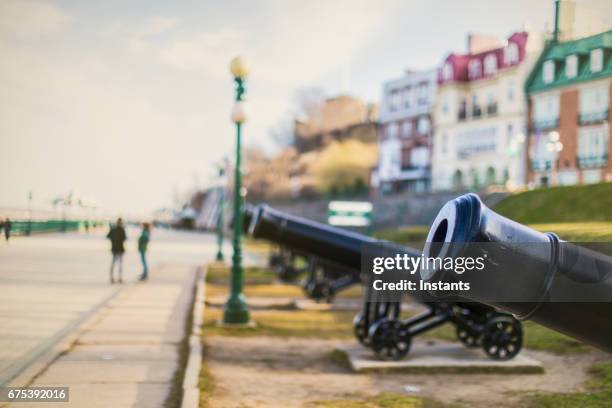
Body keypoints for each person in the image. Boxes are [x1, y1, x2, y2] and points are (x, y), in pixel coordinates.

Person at [107, 218, 127, 284]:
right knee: (119, 264)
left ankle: (112, 278)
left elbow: (108, 236)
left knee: (113, 264)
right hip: (120, 249)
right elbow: (124, 238)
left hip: (114, 248)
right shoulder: (122, 229)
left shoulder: (113, 229)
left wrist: (113, 240)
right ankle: (119, 278)